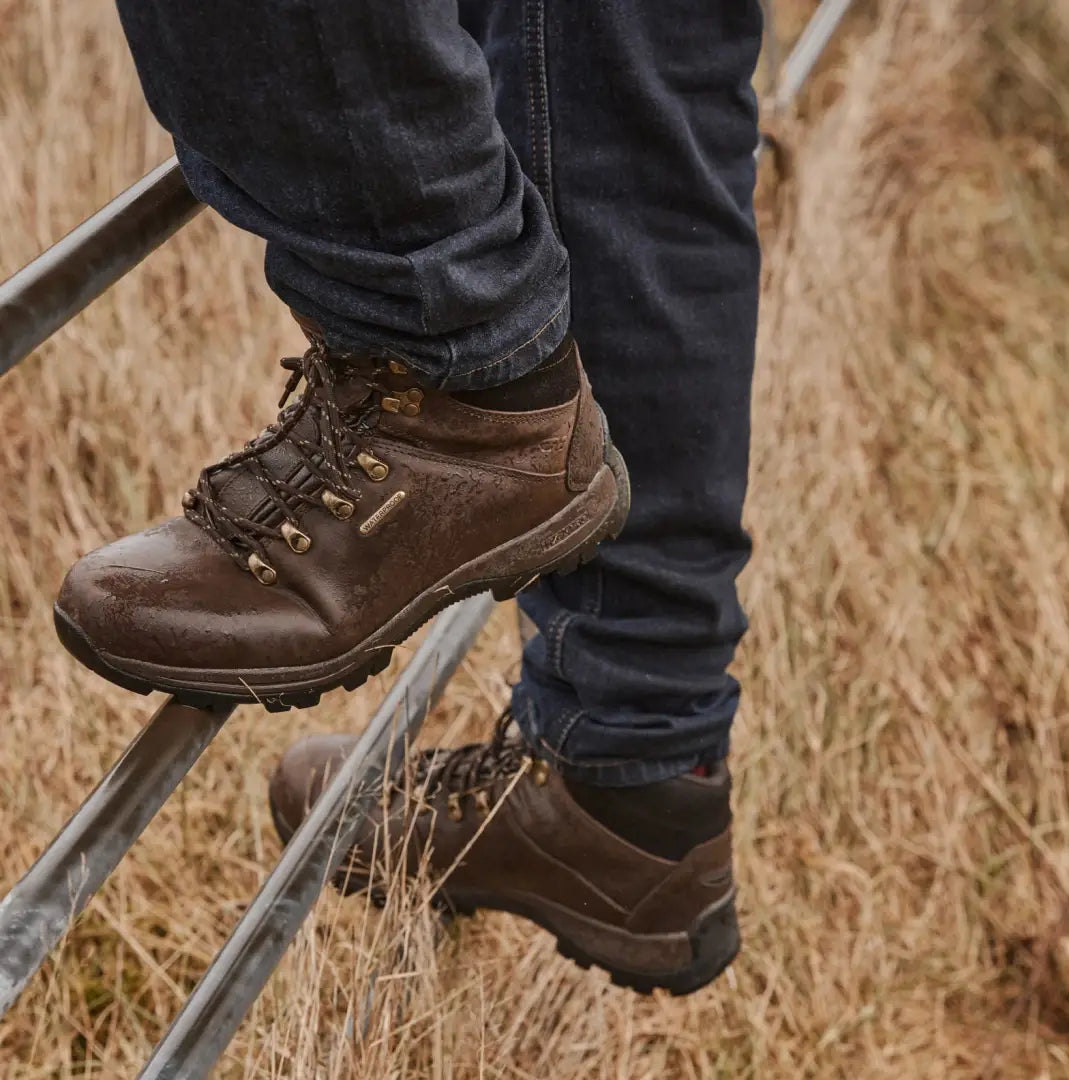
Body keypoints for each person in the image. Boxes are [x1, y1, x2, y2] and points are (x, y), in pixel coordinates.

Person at [55, 0, 762, 995]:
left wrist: (443, 321)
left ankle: (455, 385)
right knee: (620, 67)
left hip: (457, 332)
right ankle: (636, 788)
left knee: (618, 65)